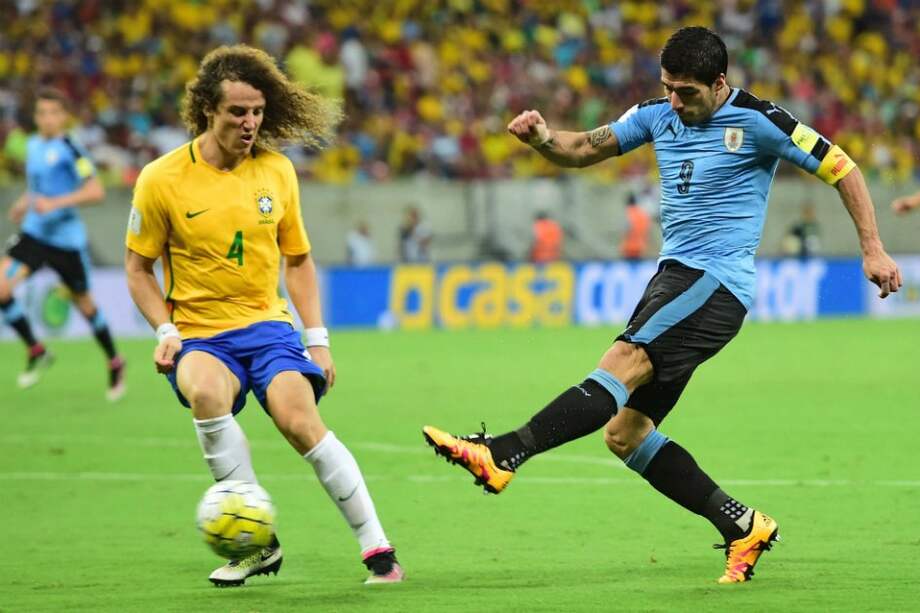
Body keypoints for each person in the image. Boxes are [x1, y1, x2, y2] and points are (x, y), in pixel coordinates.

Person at [423, 26, 901, 585]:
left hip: (714, 284)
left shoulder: (759, 121)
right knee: (625, 434)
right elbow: (583, 149)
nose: (674, 101)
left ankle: (503, 453)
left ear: (719, 83)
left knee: (621, 362)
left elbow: (842, 168)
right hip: (672, 281)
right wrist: (543, 138)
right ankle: (742, 525)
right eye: (668, 87)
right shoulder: (656, 115)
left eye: (686, 92)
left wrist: (872, 247)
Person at [124, 45, 403, 587]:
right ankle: (257, 545)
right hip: (199, 334)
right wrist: (165, 329)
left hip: (268, 327)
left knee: (300, 421)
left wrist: (317, 340)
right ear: (208, 108)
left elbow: (297, 259)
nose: (249, 122)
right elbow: (137, 269)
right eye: (237, 112)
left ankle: (379, 551)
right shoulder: (161, 179)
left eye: (256, 111)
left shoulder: (277, 170)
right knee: (206, 393)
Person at [0, 87, 125, 398]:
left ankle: (114, 360)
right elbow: (38, 186)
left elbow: (95, 191)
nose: (47, 119)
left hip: (66, 242)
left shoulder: (73, 149)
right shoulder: (32, 145)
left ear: (64, 117)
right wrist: (24, 203)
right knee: (1, 288)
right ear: (36, 116)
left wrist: (55, 204)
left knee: (85, 305)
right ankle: (36, 349)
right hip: (34, 234)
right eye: (42, 113)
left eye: (54, 113)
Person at [619, 192, 651, 260]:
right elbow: (647, 230)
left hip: (628, 248)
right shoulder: (643, 214)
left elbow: (626, 230)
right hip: (640, 247)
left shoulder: (628, 212)